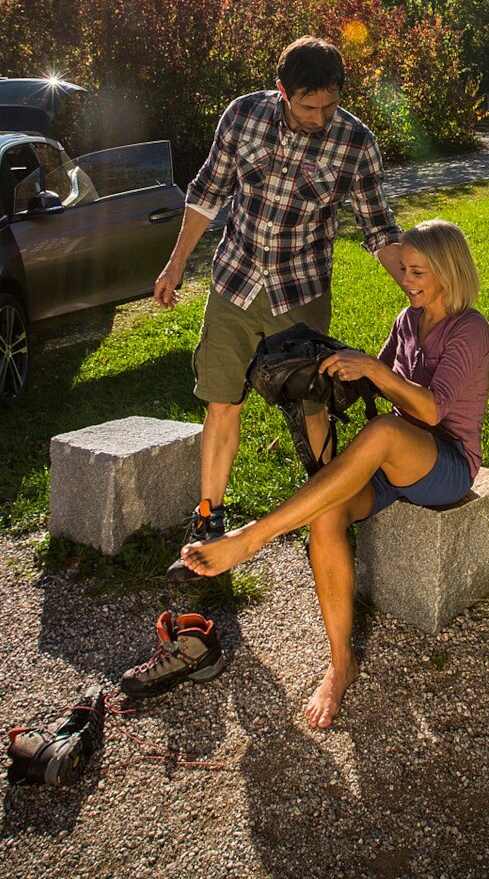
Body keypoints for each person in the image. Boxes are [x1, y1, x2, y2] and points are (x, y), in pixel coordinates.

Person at [182, 219, 489, 730]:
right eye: (404, 269)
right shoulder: (407, 320)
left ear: (448, 271)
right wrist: (331, 369)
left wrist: (372, 368)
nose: (406, 279)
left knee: (386, 434)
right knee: (326, 516)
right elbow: (377, 387)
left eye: (417, 271)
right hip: (395, 461)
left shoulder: (469, 328)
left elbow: (432, 411)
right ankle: (341, 662)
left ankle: (253, 536)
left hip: (448, 464)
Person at [153, 36, 407, 578]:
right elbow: (207, 194)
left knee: (313, 405)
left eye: (331, 105)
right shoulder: (244, 117)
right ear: (282, 91)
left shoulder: (355, 143)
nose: (321, 117)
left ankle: (331, 509)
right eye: (308, 106)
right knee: (222, 401)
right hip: (235, 283)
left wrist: (412, 282)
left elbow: (378, 225)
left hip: (301, 293)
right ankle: (208, 520)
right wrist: (175, 266)